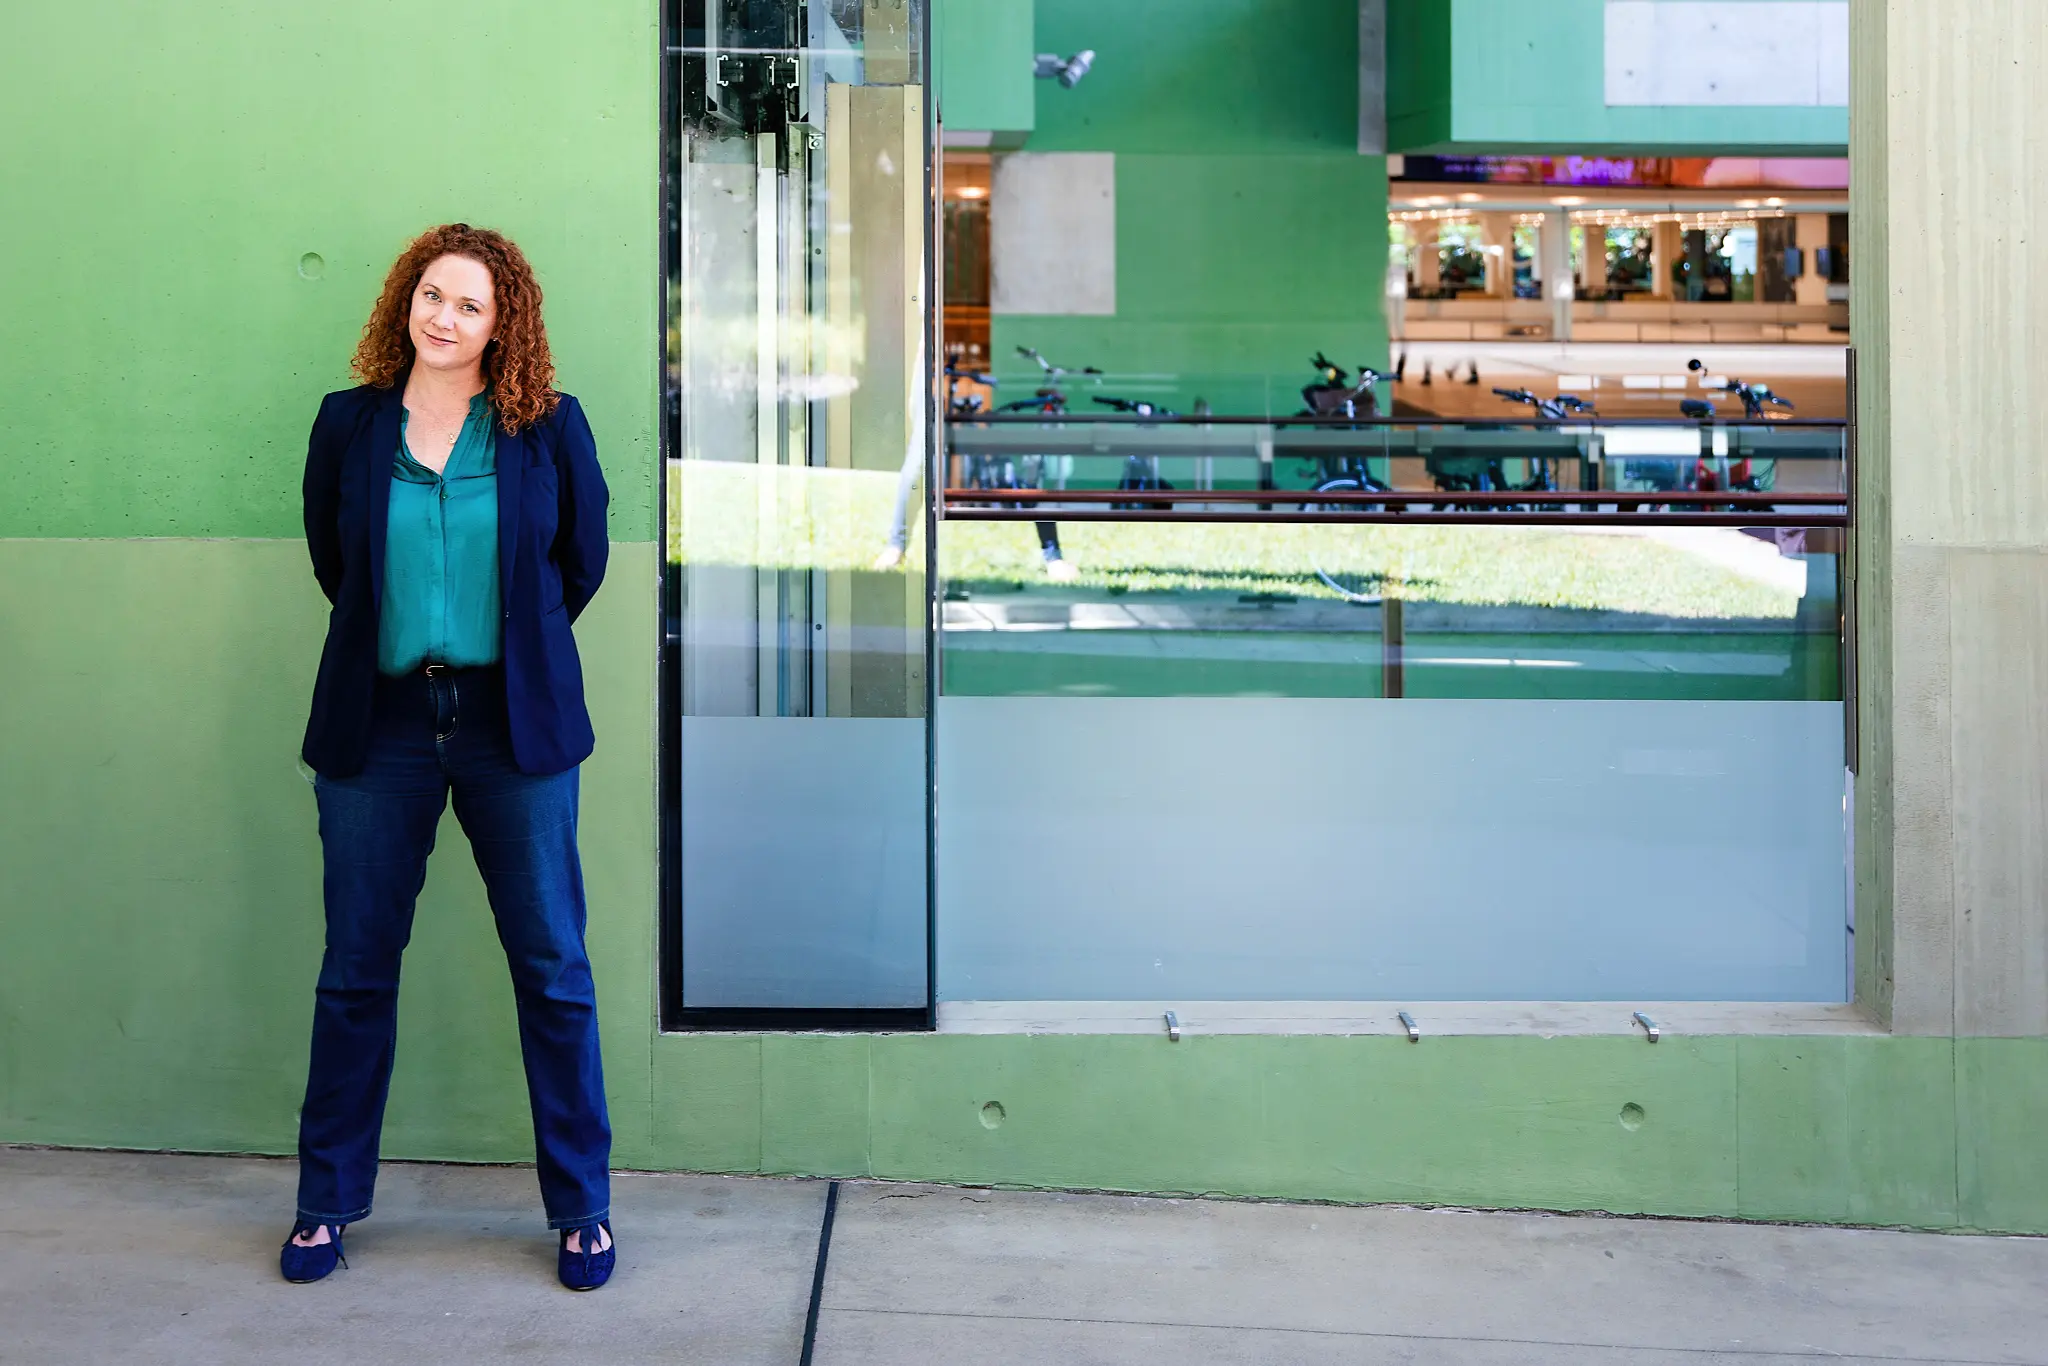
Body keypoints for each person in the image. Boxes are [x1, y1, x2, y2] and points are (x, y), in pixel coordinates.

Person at [286, 224, 616, 1291]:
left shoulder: (547, 427)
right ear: (406, 302)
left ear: (501, 324)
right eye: (432, 295)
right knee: (355, 971)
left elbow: (579, 562)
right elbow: (337, 563)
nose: (445, 317)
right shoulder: (349, 423)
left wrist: (504, 652)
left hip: (511, 729)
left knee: (553, 969)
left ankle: (583, 1209)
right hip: (378, 727)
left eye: (471, 304)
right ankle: (325, 1205)